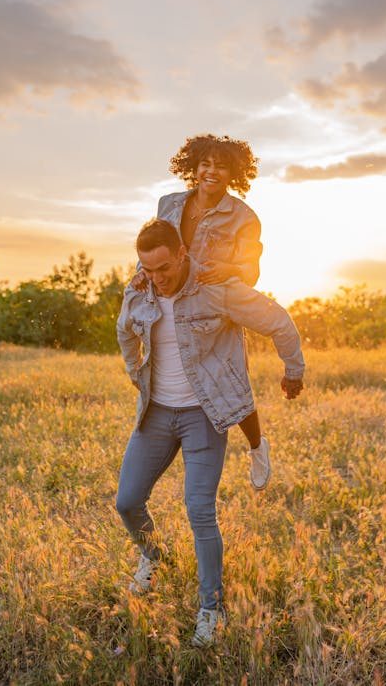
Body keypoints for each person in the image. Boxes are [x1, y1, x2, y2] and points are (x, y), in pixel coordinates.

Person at [116, 219, 304, 647]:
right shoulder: (138, 289)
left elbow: (278, 320)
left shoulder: (217, 288)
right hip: (157, 415)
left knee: (199, 509)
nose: (157, 278)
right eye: (148, 269)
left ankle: (210, 608)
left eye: (164, 268)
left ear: (182, 254)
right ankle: (154, 557)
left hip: (203, 414)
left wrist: (294, 369)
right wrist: (134, 370)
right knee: (126, 501)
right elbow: (124, 330)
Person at [133, 133, 271, 490]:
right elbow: (151, 244)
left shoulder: (243, 217)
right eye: (205, 164)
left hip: (214, 301)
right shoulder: (169, 203)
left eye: (221, 166)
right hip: (175, 298)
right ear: (192, 167)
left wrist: (230, 270)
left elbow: (251, 272)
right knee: (179, 369)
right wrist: (139, 275)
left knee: (230, 378)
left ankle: (257, 446)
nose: (211, 171)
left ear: (233, 173)